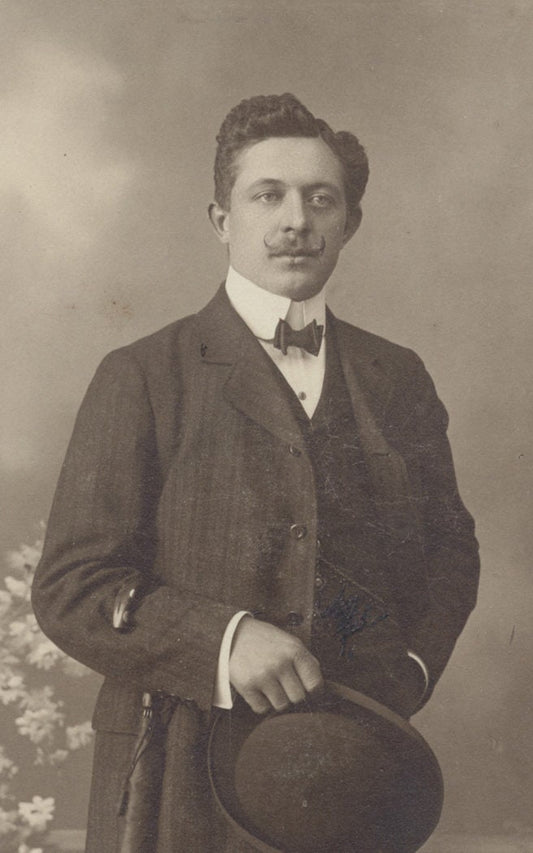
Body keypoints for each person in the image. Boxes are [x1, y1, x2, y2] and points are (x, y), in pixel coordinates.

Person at [32, 93, 480, 852]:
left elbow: (448, 549)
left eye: (320, 198)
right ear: (221, 219)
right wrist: (223, 641)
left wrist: (407, 668)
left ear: (350, 221)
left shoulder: (395, 375)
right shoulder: (143, 374)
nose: (295, 219)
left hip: (346, 771)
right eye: (267, 195)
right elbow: (73, 585)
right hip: (175, 773)